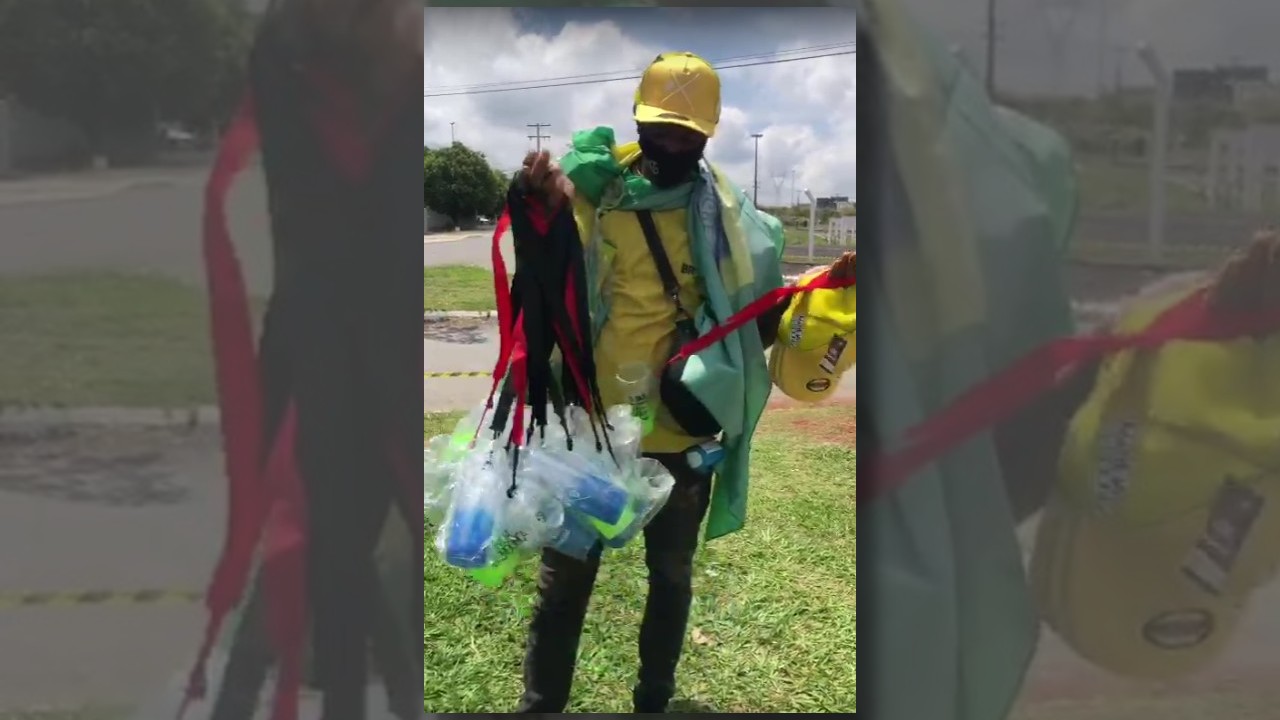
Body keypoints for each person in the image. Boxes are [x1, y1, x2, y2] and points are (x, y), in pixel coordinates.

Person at [512, 51, 853, 713]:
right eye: (660, 128)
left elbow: (753, 325)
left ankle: (654, 700)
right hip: (589, 430)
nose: (671, 143)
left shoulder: (736, 224)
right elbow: (542, 279)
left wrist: (817, 294)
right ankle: (540, 704)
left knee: (670, 577)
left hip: (679, 432)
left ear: (708, 135)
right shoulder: (595, 194)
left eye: (685, 133)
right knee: (564, 583)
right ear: (638, 121)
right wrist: (536, 206)